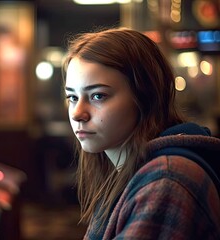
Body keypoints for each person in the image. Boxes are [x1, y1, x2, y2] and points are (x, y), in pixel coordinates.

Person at [62, 28, 220, 239]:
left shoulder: (167, 180)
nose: (78, 113)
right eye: (72, 97)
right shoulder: (130, 170)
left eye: (98, 95)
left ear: (145, 98)